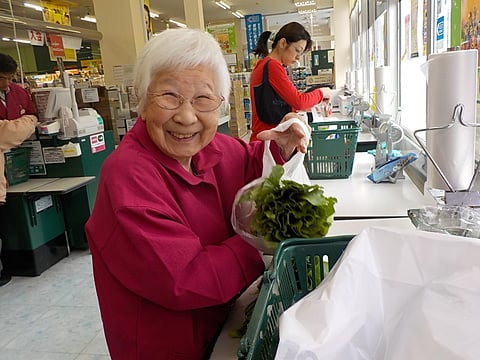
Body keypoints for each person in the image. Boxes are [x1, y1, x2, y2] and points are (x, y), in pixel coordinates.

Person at [85, 28, 310, 360]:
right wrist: (261, 238)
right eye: (169, 96)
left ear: (219, 104)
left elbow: (248, 169)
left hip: (219, 324)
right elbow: (184, 278)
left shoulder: (215, 147)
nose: (186, 116)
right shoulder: (128, 177)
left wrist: (282, 148)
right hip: (166, 345)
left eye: (203, 98)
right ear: (142, 102)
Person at [249, 22, 332, 142]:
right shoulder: (272, 66)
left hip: (268, 139)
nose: (298, 57)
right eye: (297, 50)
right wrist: (322, 92)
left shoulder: (266, 65)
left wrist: (312, 106)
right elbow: (299, 101)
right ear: (283, 43)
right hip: (268, 141)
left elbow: (281, 104)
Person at [0, 53, 38, 287]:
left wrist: (14, 127)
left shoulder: (19, 92)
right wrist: (26, 125)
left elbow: (33, 114)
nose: (6, 83)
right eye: (2, 78)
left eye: (10, 78)